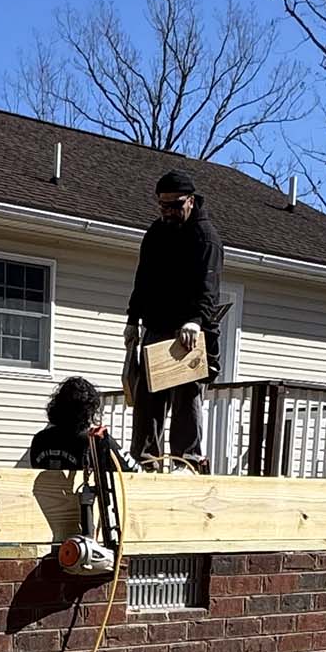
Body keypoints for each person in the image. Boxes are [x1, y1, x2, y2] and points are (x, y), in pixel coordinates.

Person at [124, 168, 224, 471]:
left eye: (175, 205)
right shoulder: (156, 233)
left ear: (190, 201)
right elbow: (143, 279)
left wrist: (195, 320)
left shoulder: (205, 237)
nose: (168, 211)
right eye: (163, 205)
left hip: (190, 331)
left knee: (186, 397)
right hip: (156, 325)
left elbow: (208, 288)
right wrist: (133, 319)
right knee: (147, 397)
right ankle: (146, 461)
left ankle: (186, 461)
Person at [22, 375, 138, 473]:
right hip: (80, 494)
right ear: (90, 410)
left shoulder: (40, 440)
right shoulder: (95, 441)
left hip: (46, 493)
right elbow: (133, 470)